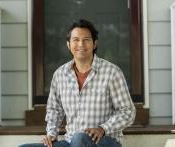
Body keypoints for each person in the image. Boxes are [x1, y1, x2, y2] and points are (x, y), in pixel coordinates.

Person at [19, 19, 136, 147]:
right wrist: (51, 134)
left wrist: (102, 129)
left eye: (86, 40)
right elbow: (54, 109)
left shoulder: (112, 72)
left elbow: (128, 112)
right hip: (71, 142)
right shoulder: (60, 74)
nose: (81, 44)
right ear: (68, 45)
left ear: (94, 44)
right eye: (75, 40)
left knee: (79, 139)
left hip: (105, 141)